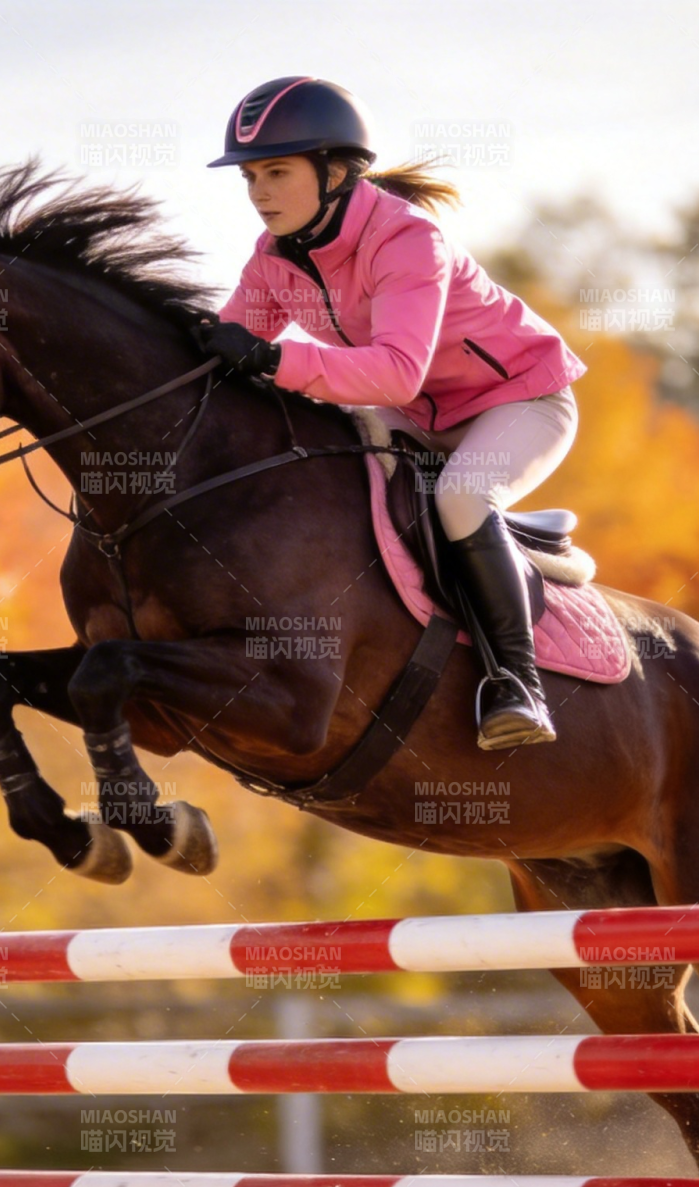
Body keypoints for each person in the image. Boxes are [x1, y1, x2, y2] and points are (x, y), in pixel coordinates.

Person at [198, 76, 587, 749]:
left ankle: (517, 684)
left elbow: (396, 372)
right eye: (251, 176)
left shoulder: (407, 240)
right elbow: (223, 352)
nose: (259, 192)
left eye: (277, 172)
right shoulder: (273, 260)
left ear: (337, 172)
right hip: (420, 414)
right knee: (320, 462)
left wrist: (271, 362)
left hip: (521, 398)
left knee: (463, 496)